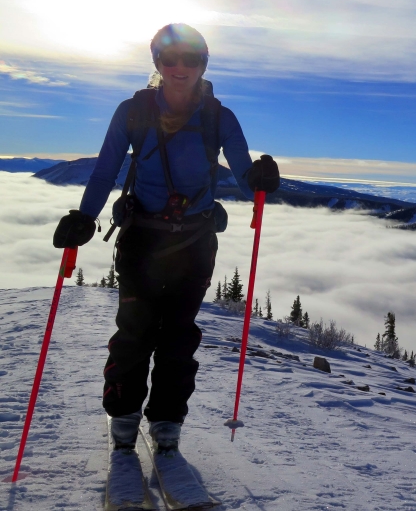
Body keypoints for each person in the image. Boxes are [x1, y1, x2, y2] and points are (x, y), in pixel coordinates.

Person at [52, 23, 280, 453]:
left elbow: (246, 176)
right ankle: (123, 415)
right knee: (135, 332)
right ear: (157, 63)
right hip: (142, 239)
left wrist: (262, 180)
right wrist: (84, 217)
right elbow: (105, 170)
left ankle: (166, 421)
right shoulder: (133, 112)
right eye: (169, 59)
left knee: (178, 337)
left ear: (202, 64)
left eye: (190, 59)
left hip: (193, 244)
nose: (180, 68)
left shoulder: (219, 117)